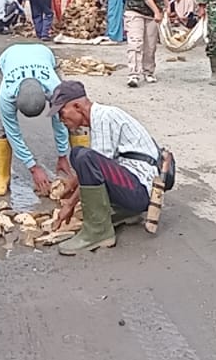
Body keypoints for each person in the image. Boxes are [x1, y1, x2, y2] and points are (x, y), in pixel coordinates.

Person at [48, 80, 173, 256]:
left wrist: (70, 204)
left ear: (77, 106)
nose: (61, 120)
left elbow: (96, 164)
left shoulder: (104, 117)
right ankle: (127, 212)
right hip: (135, 184)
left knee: (82, 156)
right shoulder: (100, 117)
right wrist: (73, 183)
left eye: (62, 113)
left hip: (140, 191)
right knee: (79, 156)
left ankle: (98, 232)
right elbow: (101, 162)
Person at [0, 43, 75, 197]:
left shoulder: (54, 88)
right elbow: (13, 133)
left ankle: (78, 171)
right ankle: (2, 176)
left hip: (43, 54)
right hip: (10, 55)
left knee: (71, 116)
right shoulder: (6, 95)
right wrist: (33, 167)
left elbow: (59, 121)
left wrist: (63, 155)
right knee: (3, 128)